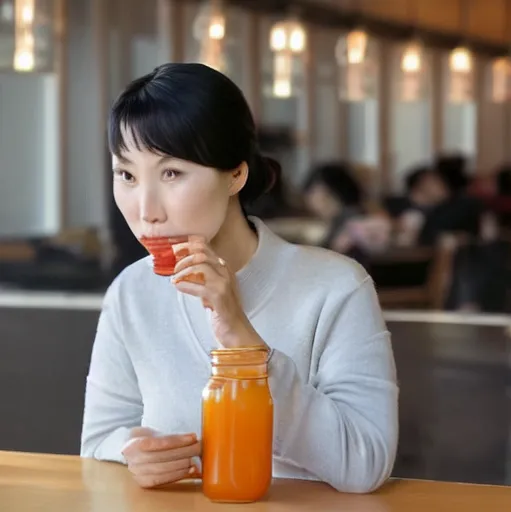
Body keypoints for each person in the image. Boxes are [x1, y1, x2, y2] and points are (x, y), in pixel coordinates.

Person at [80, 63, 398, 493]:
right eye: (127, 175)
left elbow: (366, 462)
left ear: (235, 174)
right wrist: (135, 451)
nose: (146, 209)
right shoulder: (131, 292)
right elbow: (100, 438)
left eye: (171, 173)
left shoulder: (337, 287)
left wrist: (241, 338)